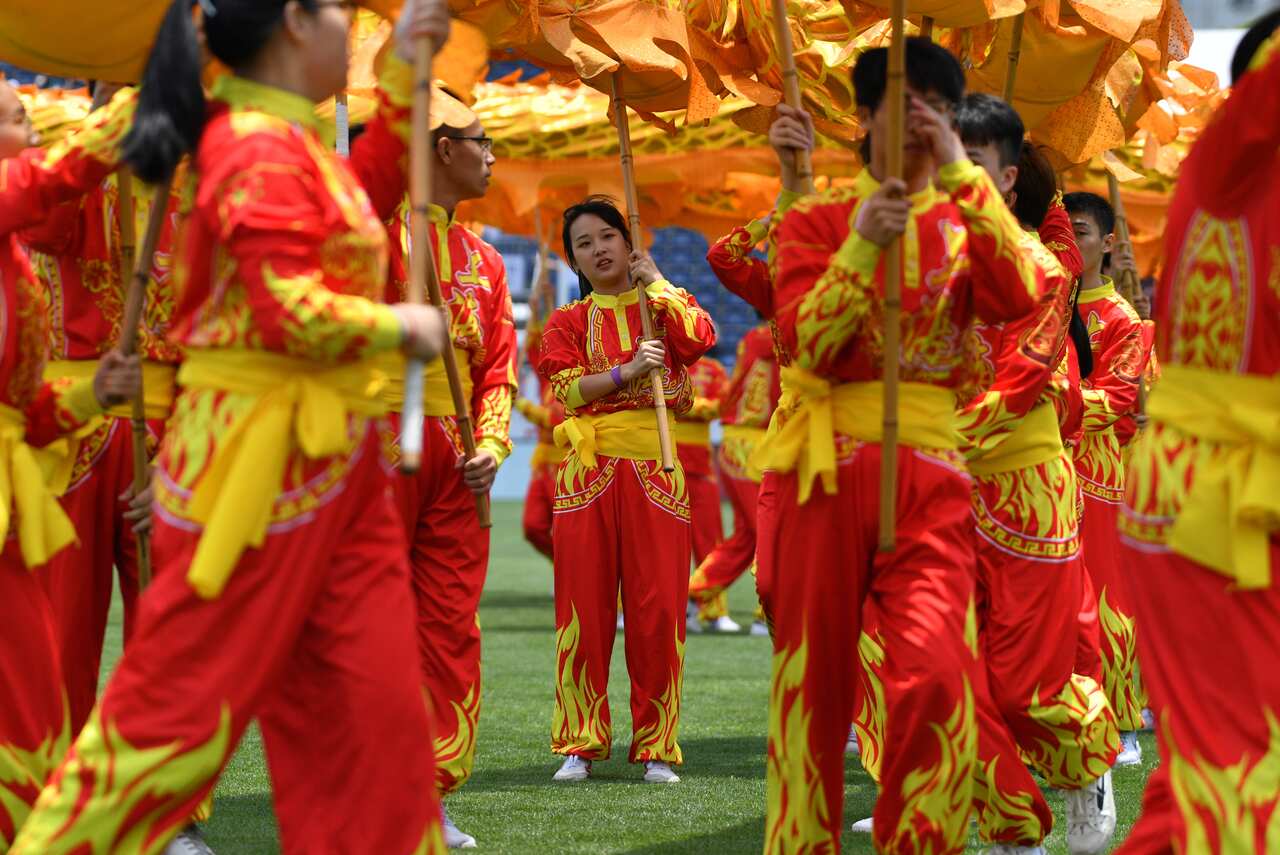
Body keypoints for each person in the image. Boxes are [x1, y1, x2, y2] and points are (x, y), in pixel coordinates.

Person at [10, 2, 453, 853]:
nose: (351, 29)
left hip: (333, 470)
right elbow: (278, 305)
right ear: (293, 21)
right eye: (344, 14)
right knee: (167, 720)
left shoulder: (294, 149)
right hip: (252, 471)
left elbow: (370, 189)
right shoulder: (250, 142)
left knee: (377, 726)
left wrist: (403, 69)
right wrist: (401, 328)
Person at [759, 39, 1048, 854]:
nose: (918, 118)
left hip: (929, 475)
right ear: (864, 118)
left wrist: (960, 167)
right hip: (827, 471)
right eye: (901, 102)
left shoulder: (964, 219)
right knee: (812, 685)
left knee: (935, 672)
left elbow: (1022, 291)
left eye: (937, 105)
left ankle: (921, 841)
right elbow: (802, 344)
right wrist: (861, 244)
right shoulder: (816, 218)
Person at [1115, 15, 1280, 854]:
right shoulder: (1230, 169)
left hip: (1239, 495)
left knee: (1212, 778)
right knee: (1242, 780)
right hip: (1214, 504)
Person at [954, 93, 1119, 854]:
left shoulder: (1044, 268)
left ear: (1008, 176)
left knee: (1028, 682)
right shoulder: (908, 257)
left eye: (971, 163)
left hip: (1022, 485)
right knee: (945, 670)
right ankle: (1012, 823)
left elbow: (1024, 371)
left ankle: (1089, 759)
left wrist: (940, 436)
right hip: (936, 485)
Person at [0, 76, 142, 855]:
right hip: (37, 474)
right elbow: (54, 188)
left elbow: (21, 407)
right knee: (41, 665)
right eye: (15, 117)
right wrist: (137, 94)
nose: (31, 127)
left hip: (100, 433)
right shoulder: (33, 203)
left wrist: (95, 395)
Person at [20, 80, 182, 741]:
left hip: (170, 430)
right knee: (61, 631)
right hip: (71, 429)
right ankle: (57, 794)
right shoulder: (63, 181)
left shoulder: (194, 193)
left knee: (172, 628)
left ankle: (170, 811)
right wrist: (99, 158)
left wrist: (183, 454)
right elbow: (34, 218)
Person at [538, 196, 715, 785]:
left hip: (657, 474)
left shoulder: (661, 310)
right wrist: (628, 374)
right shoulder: (566, 322)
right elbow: (566, 390)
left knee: (658, 610)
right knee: (582, 611)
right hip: (586, 477)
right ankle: (580, 743)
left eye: (608, 235)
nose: (599, 249)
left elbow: (702, 337)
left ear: (629, 243)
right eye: (584, 243)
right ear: (575, 262)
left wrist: (660, 284)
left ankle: (657, 745)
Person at [383, 83, 517, 850]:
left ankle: (430, 789)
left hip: (458, 458)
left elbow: (498, 367)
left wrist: (492, 447)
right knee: (367, 624)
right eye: (480, 140)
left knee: (447, 627)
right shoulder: (378, 238)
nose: (491, 155)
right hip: (379, 443)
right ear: (442, 149)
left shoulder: (486, 261)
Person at [1063, 190, 1147, 764]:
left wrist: (1048, 403)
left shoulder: (1123, 320)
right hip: (1039, 467)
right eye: (1062, 232)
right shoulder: (1041, 303)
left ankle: (1122, 727)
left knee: (1104, 601)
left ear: (1108, 242)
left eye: (1082, 232)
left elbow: (1117, 399)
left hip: (1095, 472)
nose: (1071, 243)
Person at [686, 322, 780, 635]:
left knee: (747, 536)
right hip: (754, 444)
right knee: (770, 531)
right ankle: (767, 612)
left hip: (741, 442)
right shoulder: (778, 335)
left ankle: (692, 592)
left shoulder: (753, 338)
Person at [676, 354, 734, 632]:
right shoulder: (657, 360)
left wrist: (683, 404)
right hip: (658, 461)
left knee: (709, 538)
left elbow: (723, 405)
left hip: (699, 464)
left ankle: (713, 611)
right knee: (654, 542)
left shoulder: (714, 369)